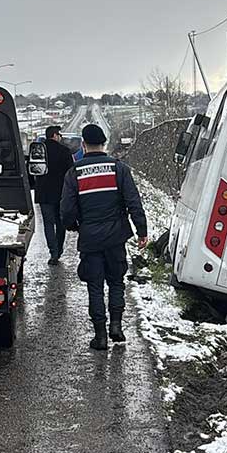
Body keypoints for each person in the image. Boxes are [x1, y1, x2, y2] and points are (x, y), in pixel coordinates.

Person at [60, 123, 148, 351]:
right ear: (104, 144)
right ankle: (116, 326)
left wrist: (75, 226)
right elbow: (133, 202)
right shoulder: (119, 169)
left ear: (83, 145)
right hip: (116, 237)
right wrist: (142, 231)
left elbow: (67, 211)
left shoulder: (75, 173)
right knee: (117, 281)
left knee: (95, 286)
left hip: (90, 238)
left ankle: (100, 336)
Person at [33, 125, 75, 265]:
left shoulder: (39, 151)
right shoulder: (64, 151)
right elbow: (71, 173)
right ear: (55, 135)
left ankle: (53, 252)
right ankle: (59, 249)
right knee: (60, 222)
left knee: (48, 223)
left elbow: (32, 171)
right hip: (61, 193)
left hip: (44, 194)